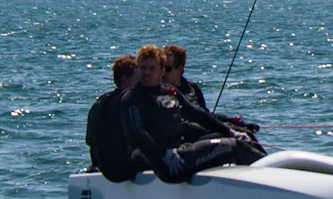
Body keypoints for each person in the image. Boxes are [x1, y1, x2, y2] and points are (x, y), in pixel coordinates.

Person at [125, 44, 266, 183]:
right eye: (143, 68)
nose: (147, 72)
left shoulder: (169, 92)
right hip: (167, 165)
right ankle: (267, 174)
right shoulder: (132, 98)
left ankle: (263, 174)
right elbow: (138, 135)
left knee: (238, 141)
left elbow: (197, 114)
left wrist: (230, 131)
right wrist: (164, 155)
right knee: (235, 147)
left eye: (152, 68)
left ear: (161, 71)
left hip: (180, 152)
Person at [161, 43, 260, 139]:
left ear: (180, 69)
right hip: (188, 138)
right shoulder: (162, 93)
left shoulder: (192, 88)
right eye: (161, 68)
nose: (163, 73)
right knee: (234, 138)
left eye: (167, 69)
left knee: (246, 133)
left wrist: (234, 121)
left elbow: (206, 115)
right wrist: (225, 128)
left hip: (206, 132)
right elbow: (184, 125)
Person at [84, 56, 145, 182]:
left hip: (102, 165)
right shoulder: (130, 103)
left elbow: (90, 140)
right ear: (125, 80)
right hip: (122, 167)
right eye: (138, 80)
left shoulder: (100, 103)